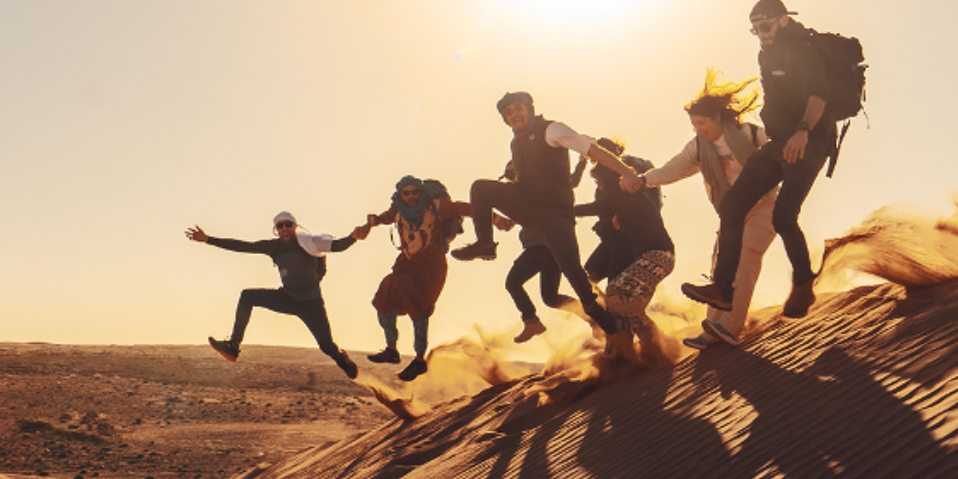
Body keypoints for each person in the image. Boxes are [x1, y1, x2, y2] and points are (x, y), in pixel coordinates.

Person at [681, 0, 836, 320]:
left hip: (809, 142)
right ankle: (724, 288)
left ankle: (804, 283)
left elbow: (818, 94)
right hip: (779, 142)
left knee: (783, 217)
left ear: (782, 20)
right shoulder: (766, 53)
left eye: (764, 26)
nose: (760, 33)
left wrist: (803, 131)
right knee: (732, 206)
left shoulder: (804, 49)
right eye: (754, 29)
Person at [452, 91, 644, 336]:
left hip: (555, 214)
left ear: (530, 108)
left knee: (571, 268)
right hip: (527, 202)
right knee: (480, 188)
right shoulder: (516, 142)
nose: (513, 115)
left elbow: (591, 150)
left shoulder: (551, 130)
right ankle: (485, 244)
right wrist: (502, 214)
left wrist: (625, 171)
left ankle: (600, 316)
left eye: (518, 107)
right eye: (507, 112)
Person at [641, 71, 778, 350]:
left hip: (765, 205)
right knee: (721, 266)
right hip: (732, 214)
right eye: (694, 125)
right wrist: (643, 179)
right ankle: (712, 330)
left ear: (717, 117)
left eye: (702, 123)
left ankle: (730, 326)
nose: (698, 129)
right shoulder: (698, 148)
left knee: (747, 257)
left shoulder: (749, 134)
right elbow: (673, 169)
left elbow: (779, 146)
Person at [187, 211, 371, 378]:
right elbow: (244, 246)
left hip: (311, 304)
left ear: (295, 227)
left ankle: (342, 359)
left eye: (287, 225)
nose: (284, 228)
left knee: (326, 346)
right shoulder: (273, 247)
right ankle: (233, 346)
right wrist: (208, 239)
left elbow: (337, 245)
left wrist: (353, 237)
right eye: (279, 226)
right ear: (276, 229)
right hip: (287, 298)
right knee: (247, 296)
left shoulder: (310, 243)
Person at [576, 139, 675, 359]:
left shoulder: (625, 185)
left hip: (651, 252)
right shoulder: (614, 191)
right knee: (596, 285)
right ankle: (646, 344)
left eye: (600, 181)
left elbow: (599, 207)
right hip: (630, 248)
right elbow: (599, 207)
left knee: (616, 294)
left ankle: (632, 342)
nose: (598, 186)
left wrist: (562, 211)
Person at [364, 176, 470, 381]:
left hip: (431, 264)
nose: (411, 197)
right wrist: (370, 223)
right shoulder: (397, 208)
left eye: (415, 192)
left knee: (419, 307)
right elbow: (383, 218)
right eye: (407, 193)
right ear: (400, 195)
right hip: (408, 260)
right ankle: (391, 349)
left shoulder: (437, 206)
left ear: (421, 192)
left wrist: (494, 218)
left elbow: (463, 209)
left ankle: (420, 359)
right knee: (385, 294)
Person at [503, 157, 589, 343]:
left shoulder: (538, 187)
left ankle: (591, 314)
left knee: (549, 297)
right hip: (533, 249)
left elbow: (571, 182)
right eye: (509, 177)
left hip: (549, 247)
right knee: (513, 283)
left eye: (512, 174)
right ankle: (531, 321)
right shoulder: (520, 195)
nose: (512, 180)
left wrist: (581, 164)